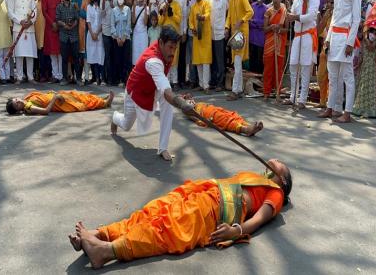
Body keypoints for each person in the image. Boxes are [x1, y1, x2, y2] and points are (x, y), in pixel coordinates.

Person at [68, 159, 292, 269]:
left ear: (283, 180)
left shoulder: (276, 193)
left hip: (217, 207)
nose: (273, 161)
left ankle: (106, 252)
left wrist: (236, 230)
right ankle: (101, 234)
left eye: (280, 164)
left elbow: (260, 218)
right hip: (205, 191)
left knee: (168, 228)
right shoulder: (256, 177)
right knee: (153, 211)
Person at [111, 26, 192, 161]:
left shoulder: (165, 51)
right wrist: (181, 104)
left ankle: (163, 148)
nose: (172, 52)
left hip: (153, 89)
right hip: (135, 92)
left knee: (167, 104)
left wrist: (177, 100)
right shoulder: (153, 61)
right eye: (170, 47)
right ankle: (115, 117)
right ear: (160, 43)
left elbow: (164, 86)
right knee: (126, 125)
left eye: (175, 48)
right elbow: (166, 90)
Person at [318, 0, 361, 123]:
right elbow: (334, 18)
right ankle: (330, 108)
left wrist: (350, 43)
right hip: (334, 37)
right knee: (333, 76)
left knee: (348, 78)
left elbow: (356, 19)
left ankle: (347, 112)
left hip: (345, 38)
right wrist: (327, 40)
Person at [284, 0, 320, 110]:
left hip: (308, 34)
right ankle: (292, 96)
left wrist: (295, 17)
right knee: (293, 66)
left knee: (305, 68)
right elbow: (293, 13)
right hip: (297, 35)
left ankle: (302, 100)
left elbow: (311, 16)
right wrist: (289, 13)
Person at [225, 0, 254, 100]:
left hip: (241, 34)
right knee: (237, 63)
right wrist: (227, 28)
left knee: (237, 62)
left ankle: (235, 91)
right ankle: (239, 90)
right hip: (234, 34)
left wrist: (241, 21)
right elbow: (230, 16)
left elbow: (250, 12)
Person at [6, 0, 37, 85]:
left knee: (30, 55)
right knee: (19, 55)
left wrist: (31, 22)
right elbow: (10, 12)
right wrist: (20, 21)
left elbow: (35, 10)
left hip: (29, 28)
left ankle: (30, 77)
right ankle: (19, 77)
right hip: (18, 28)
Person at [183, 94, 264, 136]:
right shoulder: (189, 112)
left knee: (233, 115)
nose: (191, 101)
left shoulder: (199, 103)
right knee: (227, 121)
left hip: (217, 110)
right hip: (211, 116)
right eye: (188, 101)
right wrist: (205, 122)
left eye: (191, 99)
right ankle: (245, 130)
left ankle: (249, 126)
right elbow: (196, 120)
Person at [263, 0, 288, 100]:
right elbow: (264, 29)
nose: (275, 1)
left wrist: (279, 30)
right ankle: (266, 92)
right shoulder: (268, 11)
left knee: (279, 69)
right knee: (268, 68)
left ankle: (278, 91)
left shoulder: (284, 11)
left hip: (280, 42)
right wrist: (271, 27)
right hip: (269, 43)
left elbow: (286, 29)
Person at [6, 90, 114, 115]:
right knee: (83, 104)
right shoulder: (28, 107)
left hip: (57, 96)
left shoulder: (27, 98)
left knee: (81, 96)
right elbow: (46, 111)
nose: (18, 101)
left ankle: (102, 100)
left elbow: (42, 96)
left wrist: (52, 93)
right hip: (58, 103)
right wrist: (55, 98)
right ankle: (104, 103)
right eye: (17, 104)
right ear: (18, 110)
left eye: (16, 100)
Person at [42, 0, 64, 83]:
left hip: (59, 26)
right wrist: (52, 23)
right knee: (52, 53)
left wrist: (57, 23)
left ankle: (61, 75)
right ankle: (55, 75)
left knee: (59, 53)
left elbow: (62, 10)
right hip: (50, 28)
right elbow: (44, 11)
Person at [189, 0, 212, 94]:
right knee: (198, 62)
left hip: (206, 36)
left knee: (206, 62)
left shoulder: (207, 3)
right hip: (197, 37)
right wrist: (192, 28)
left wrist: (202, 17)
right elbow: (191, 21)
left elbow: (208, 14)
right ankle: (201, 84)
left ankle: (206, 85)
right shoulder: (193, 7)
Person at [353, 23, 376, 117]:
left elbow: (374, 47)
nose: (373, 34)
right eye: (371, 32)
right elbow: (362, 56)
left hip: (372, 68)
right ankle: (360, 109)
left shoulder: (375, 42)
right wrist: (358, 65)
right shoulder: (365, 41)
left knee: (370, 89)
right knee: (363, 87)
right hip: (365, 67)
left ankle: (370, 111)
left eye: (374, 32)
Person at [158, 0, 182, 89]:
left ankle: (175, 81)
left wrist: (172, 15)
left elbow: (179, 20)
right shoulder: (162, 5)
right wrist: (164, 13)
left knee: (174, 58)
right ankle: (166, 81)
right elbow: (159, 22)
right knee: (165, 58)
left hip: (174, 35)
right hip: (165, 36)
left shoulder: (177, 5)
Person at [56, 0, 80, 86]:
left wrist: (72, 25)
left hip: (74, 36)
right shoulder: (59, 7)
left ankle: (78, 78)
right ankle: (64, 78)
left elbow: (77, 19)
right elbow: (57, 20)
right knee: (64, 58)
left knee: (76, 58)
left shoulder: (74, 6)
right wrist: (64, 25)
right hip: (64, 36)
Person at [316, 0, 334, 108]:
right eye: (329, 2)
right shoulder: (327, 14)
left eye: (333, 2)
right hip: (325, 50)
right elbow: (318, 31)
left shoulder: (339, 15)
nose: (330, 5)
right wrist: (324, 18)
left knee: (333, 79)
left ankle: (331, 104)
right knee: (321, 76)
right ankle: (323, 101)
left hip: (335, 50)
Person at [209, 0, 228, 91]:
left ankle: (220, 83)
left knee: (220, 60)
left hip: (220, 34)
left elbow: (228, 9)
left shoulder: (224, 0)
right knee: (213, 60)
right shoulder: (210, 1)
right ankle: (214, 81)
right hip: (211, 34)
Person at [111, 0, 131, 85]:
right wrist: (117, 37)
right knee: (117, 59)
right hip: (116, 39)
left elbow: (128, 24)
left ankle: (125, 79)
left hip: (125, 39)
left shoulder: (127, 9)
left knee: (125, 59)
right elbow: (112, 25)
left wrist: (123, 37)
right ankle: (117, 79)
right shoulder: (114, 10)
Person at [72, 0, 90, 85]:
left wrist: (79, 10)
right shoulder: (72, 0)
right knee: (75, 55)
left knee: (85, 54)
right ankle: (76, 76)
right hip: (74, 30)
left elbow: (87, 15)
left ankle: (86, 77)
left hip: (84, 30)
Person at [86, 0, 105, 86]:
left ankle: (100, 77)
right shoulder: (89, 7)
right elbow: (88, 21)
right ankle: (94, 77)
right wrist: (92, 33)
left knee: (99, 56)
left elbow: (102, 21)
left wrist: (97, 33)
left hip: (99, 35)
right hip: (91, 34)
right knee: (92, 56)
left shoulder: (101, 7)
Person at [34, 0, 50, 82]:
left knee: (46, 55)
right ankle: (40, 73)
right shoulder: (34, 4)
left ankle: (47, 74)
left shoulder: (46, 2)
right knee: (39, 55)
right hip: (36, 33)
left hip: (47, 32)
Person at [249, 0, 267, 74]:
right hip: (252, 39)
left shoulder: (266, 8)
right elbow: (249, 21)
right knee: (252, 61)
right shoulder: (252, 6)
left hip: (260, 40)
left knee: (260, 63)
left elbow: (264, 23)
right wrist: (256, 23)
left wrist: (254, 21)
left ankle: (259, 84)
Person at [101, 0, 116, 85]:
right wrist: (103, 3)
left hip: (114, 31)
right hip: (105, 30)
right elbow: (101, 15)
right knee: (107, 55)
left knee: (113, 55)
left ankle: (113, 78)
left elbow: (117, 12)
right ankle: (106, 78)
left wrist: (111, 2)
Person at [131, 0, 149, 66]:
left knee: (143, 53)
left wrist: (145, 9)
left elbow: (145, 23)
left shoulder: (147, 8)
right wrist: (134, 7)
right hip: (136, 33)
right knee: (135, 53)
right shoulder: (133, 7)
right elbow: (133, 21)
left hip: (143, 34)